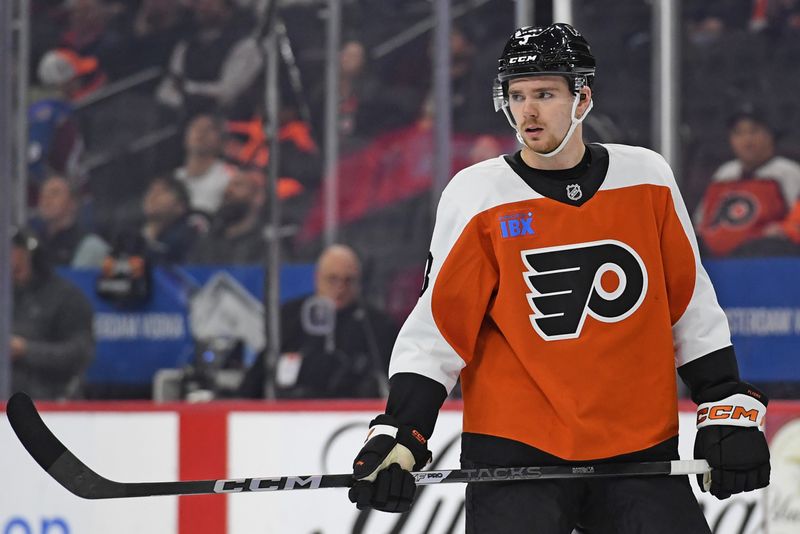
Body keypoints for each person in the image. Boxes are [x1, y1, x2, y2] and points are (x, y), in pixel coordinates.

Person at [347, 24, 770, 532]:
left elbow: (688, 305)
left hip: (637, 450)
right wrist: (402, 429)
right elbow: (439, 327)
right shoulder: (479, 195)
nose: (527, 112)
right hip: (517, 456)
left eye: (545, 95)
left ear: (582, 98)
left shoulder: (647, 178)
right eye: (517, 95)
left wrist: (724, 398)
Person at [238, 244, 398, 398]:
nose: (340, 287)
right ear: (317, 278)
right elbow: (263, 367)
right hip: (292, 411)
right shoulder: (291, 315)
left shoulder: (375, 326)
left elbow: (389, 378)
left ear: (359, 282)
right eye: (332, 279)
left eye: (348, 280)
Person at [695, 106, 800, 257]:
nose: (747, 139)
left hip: (765, 263)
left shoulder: (789, 172)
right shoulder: (723, 174)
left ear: (770, 135)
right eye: (738, 133)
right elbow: (700, 223)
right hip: (714, 265)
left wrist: (783, 231)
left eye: (754, 131)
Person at [11, 227, 95, 400]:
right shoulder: (7, 296)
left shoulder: (66, 297)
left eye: (19, 265)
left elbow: (80, 352)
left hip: (50, 400)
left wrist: (26, 350)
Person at [187, 165, 270, 264]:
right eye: (229, 185)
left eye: (238, 185)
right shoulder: (209, 238)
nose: (228, 191)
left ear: (258, 197)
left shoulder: (267, 243)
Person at [30, 174, 110, 267]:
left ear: (72, 203)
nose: (46, 199)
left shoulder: (92, 247)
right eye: (43, 195)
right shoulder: (31, 244)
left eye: (54, 193)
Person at [138, 175, 209, 264]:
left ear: (180, 206)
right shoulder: (132, 233)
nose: (153, 196)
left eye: (161, 192)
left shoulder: (187, 235)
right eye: (151, 190)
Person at [174, 114, 232, 215]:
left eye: (209, 129)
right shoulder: (175, 178)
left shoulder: (230, 178)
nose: (200, 133)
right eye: (195, 127)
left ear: (222, 142)